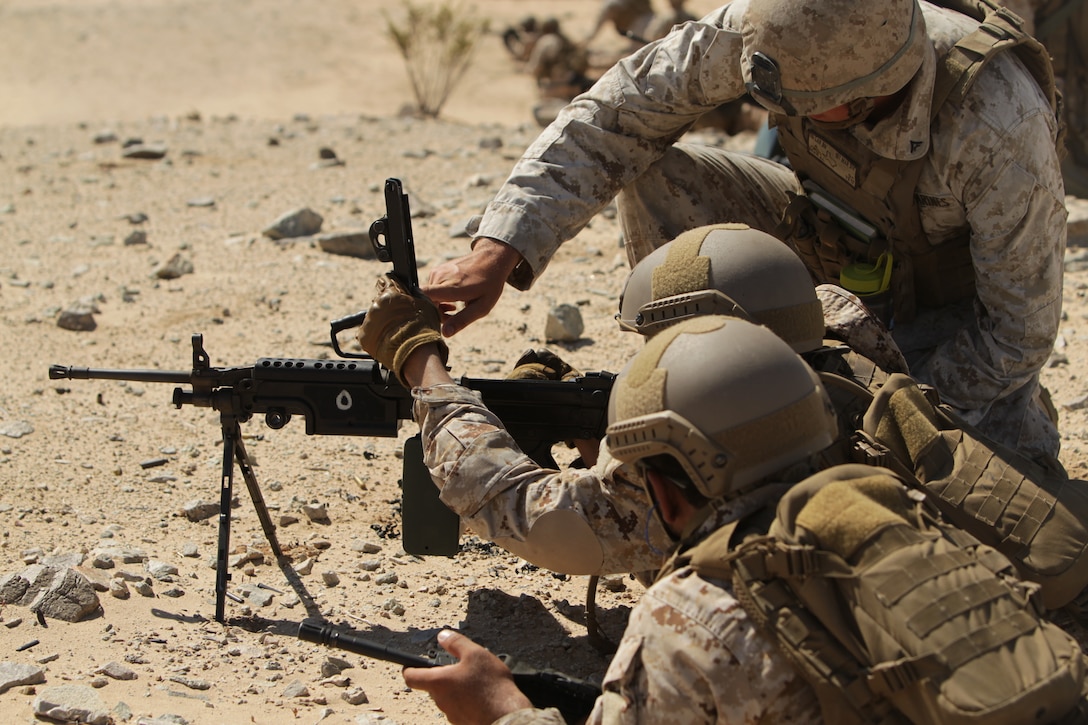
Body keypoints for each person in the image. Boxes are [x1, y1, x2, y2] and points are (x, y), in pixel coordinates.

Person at [420, 0, 1067, 466]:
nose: (778, 110)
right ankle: (691, 380)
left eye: (807, 104)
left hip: (942, 329)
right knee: (657, 172)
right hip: (829, 250)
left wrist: (872, 407)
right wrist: (500, 246)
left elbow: (1017, 331)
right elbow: (619, 112)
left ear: (867, 96)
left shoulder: (996, 118)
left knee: (976, 484)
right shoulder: (777, 30)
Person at [378, 312, 839, 723]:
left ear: (661, 494)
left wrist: (500, 709)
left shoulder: (693, 627)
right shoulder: (870, 446)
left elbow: (507, 497)